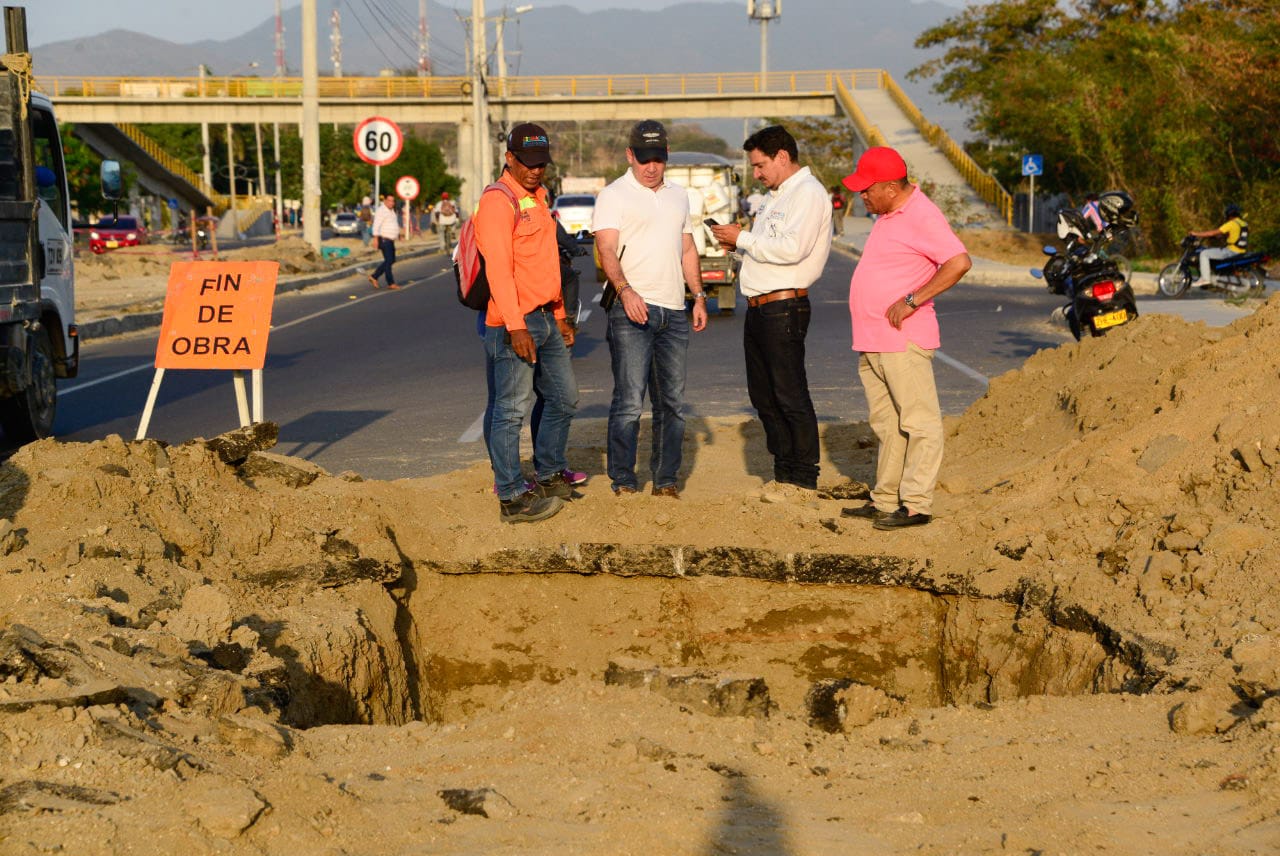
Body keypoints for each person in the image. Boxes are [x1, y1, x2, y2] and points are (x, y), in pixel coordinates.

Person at [839, 146, 971, 530]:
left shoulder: (921, 215)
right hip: (875, 340)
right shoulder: (889, 213)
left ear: (891, 188)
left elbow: (959, 262)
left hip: (903, 340)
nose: (861, 196)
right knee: (888, 425)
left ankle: (916, 505)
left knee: (919, 423)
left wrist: (914, 299)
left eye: (867, 190)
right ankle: (884, 500)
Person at [709, 125, 832, 491]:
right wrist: (740, 245)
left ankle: (803, 477)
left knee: (789, 393)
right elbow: (770, 246)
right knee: (763, 395)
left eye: (760, 166)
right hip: (760, 307)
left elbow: (793, 250)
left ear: (782, 156)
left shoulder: (808, 193)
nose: (757, 174)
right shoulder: (775, 197)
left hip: (784, 306)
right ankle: (783, 474)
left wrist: (743, 237)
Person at [593, 119, 708, 497]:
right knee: (629, 402)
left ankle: (665, 480)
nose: (651, 166)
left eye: (658, 158)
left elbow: (687, 248)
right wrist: (625, 291)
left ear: (666, 156)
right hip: (631, 312)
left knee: (672, 404)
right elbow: (606, 249)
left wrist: (699, 296)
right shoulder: (614, 195)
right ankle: (624, 481)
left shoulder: (678, 195)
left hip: (674, 312)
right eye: (644, 158)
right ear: (630, 155)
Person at [477, 121, 579, 523]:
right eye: (528, 163)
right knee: (510, 410)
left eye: (542, 163)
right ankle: (512, 496)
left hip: (546, 317)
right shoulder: (497, 201)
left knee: (563, 398)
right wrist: (516, 326)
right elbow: (499, 270)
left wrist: (560, 315)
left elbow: (548, 261)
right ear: (509, 159)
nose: (536, 170)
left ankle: (550, 471)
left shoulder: (538, 197)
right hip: (513, 323)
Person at [1189, 204, 1249, 286]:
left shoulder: (1231, 224)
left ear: (1229, 214)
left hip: (1231, 251)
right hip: (1241, 251)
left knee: (1204, 253)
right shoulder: (1244, 224)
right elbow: (1236, 235)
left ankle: (1205, 278)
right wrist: (1220, 236)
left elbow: (1212, 233)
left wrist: (1196, 234)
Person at [367, 195, 400, 289]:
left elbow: (392, 224)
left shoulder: (391, 211)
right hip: (384, 239)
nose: (391, 203)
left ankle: (374, 276)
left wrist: (398, 234)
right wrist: (375, 239)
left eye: (393, 201)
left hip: (390, 239)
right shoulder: (381, 211)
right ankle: (390, 283)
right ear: (385, 201)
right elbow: (376, 225)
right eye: (389, 201)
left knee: (391, 260)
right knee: (389, 261)